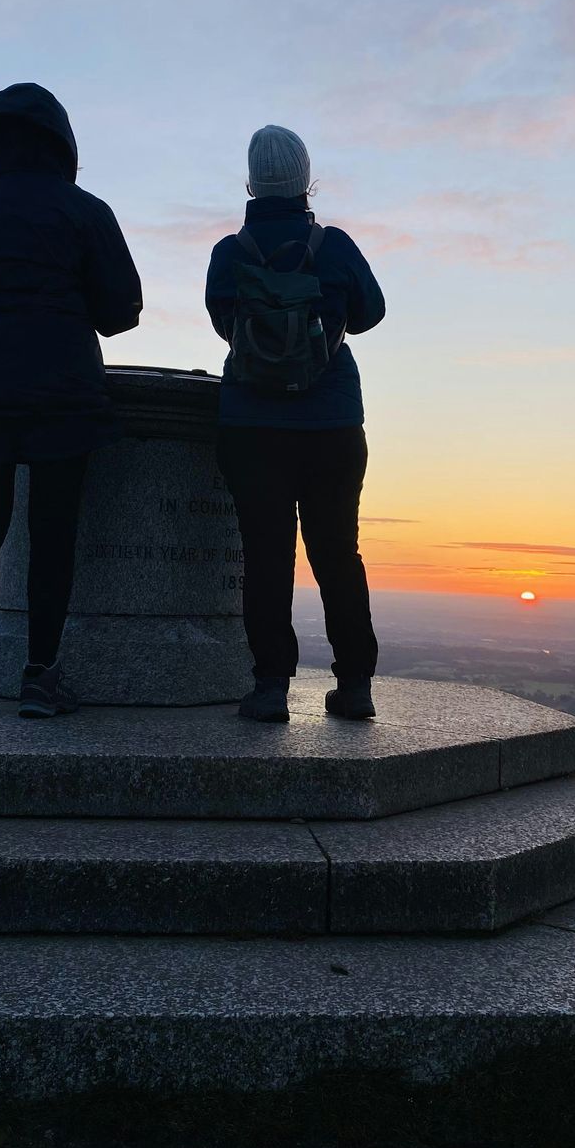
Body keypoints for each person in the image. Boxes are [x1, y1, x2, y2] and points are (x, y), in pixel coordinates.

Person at [0, 82, 141, 720]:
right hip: (61, 394)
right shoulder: (85, 211)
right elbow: (121, 310)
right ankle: (41, 679)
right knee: (52, 533)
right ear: (61, 144)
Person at [205, 124, 385, 722]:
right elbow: (372, 312)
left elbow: (223, 325)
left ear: (252, 181)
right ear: (306, 180)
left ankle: (270, 687)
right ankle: (354, 685)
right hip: (333, 421)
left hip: (251, 424)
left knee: (265, 555)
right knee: (338, 553)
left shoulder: (230, 254)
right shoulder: (334, 247)